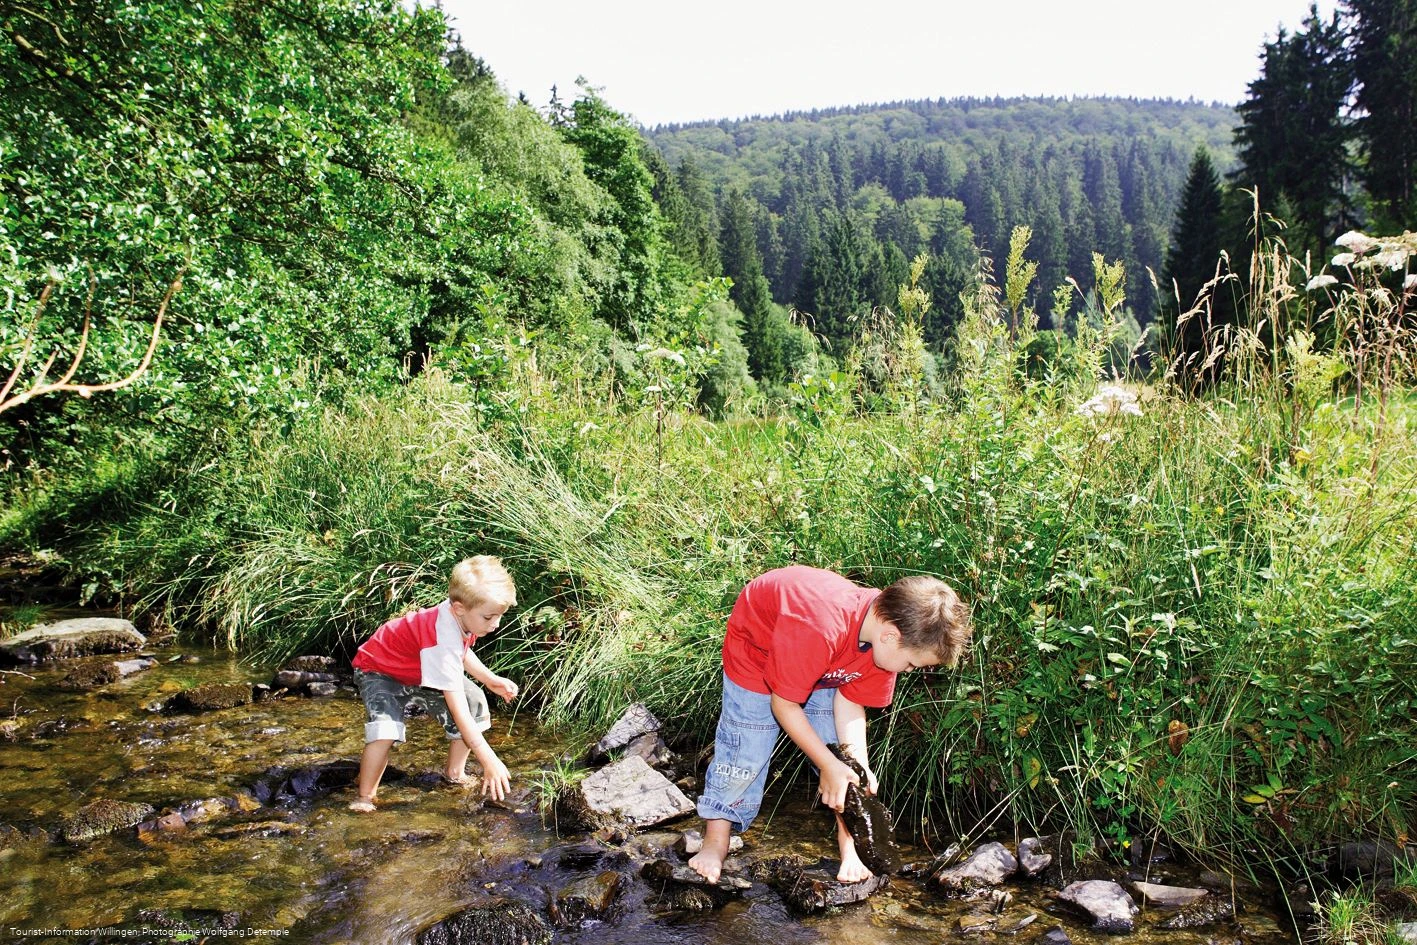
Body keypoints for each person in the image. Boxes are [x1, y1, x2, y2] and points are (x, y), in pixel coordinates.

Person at [688, 565, 972, 883]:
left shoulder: (883, 642)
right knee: (746, 749)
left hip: (824, 663)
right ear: (891, 635)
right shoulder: (820, 627)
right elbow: (783, 704)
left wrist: (857, 768)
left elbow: (850, 705)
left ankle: (850, 846)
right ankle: (715, 841)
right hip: (757, 655)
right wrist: (826, 764)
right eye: (910, 664)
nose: (907, 670)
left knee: (843, 765)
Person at [347, 555, 519, 813]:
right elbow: (455, 703)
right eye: (489, 617)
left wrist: (490, 680)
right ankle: (365, 796)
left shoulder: (461, 615)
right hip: (379, 670)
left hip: (420, 669)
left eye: (499, 616)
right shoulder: (443, 633)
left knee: (475, 701)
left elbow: (458, 651)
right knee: (385, 729)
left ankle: (454, 773)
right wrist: (488, 759)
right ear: (460, 608)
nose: (495, 624)